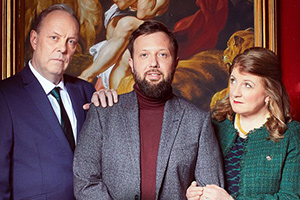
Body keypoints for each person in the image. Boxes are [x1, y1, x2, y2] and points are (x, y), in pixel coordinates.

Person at [73, 20, 224, 199]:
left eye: (162, 55)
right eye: (144, 55)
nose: (153, 63)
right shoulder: (103, 113)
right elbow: (84, 181)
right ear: (131, 63)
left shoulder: (197, 121)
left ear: (175, 62)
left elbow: (212, 192)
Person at [0, 4, 95, 200]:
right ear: (34, 40)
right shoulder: (5, 95)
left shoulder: (86, 92)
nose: (62, 48)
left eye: (71, 41)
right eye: (55, 38)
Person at [186, 47, 300, 199]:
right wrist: (191, 191)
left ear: (269, 93)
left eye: (247, 85)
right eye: (233, 80)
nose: (235, 92)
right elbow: (189, 176)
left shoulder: (290, 135)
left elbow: (291, 197)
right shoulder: (212, 125)